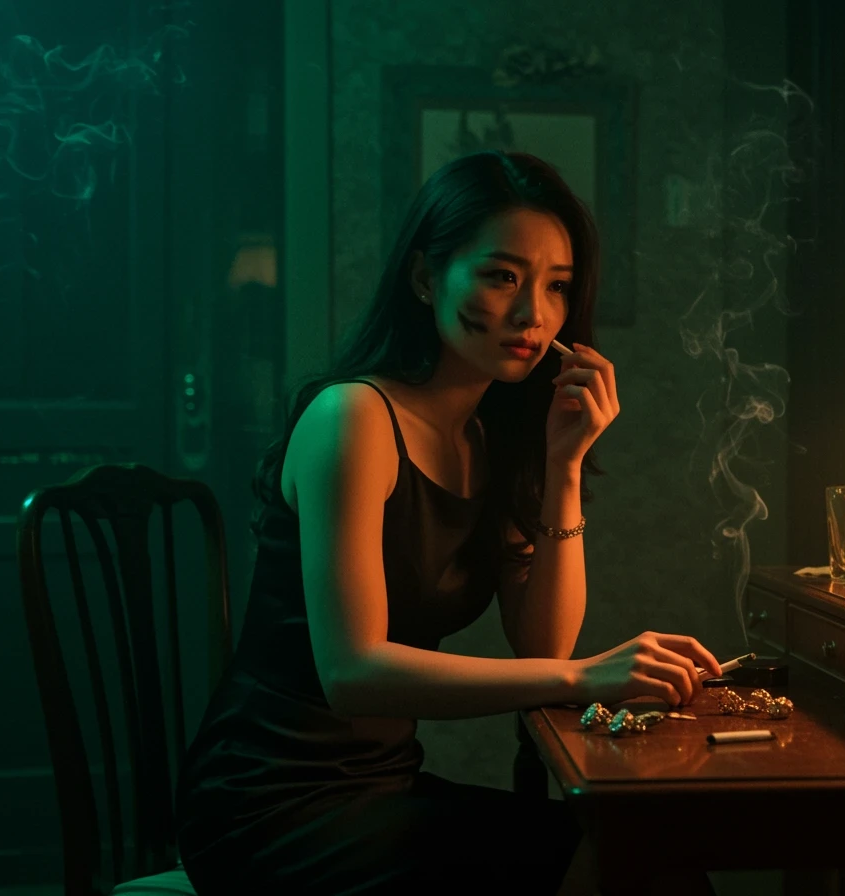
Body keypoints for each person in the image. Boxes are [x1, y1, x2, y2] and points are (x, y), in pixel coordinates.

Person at [175, 150, 722, 895]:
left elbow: (542, 640)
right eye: (503, 277)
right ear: (427, 277)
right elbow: (352, 671)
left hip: (384, 788)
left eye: (557, 288)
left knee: (649, 853)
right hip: (266, 806)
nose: (535, 314)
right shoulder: (354, 418)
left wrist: (562, 468)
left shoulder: (489, 442)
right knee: (624, 864)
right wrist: (585, 676)